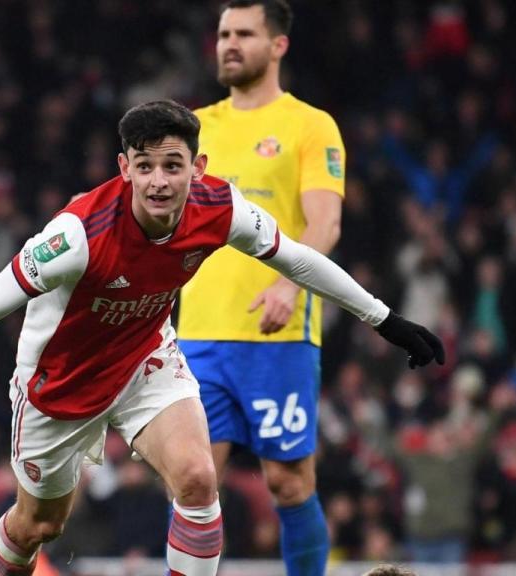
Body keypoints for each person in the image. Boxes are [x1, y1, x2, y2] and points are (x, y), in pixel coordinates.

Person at [0, 100, 443, 576]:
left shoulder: (220, 207)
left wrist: (385, 320)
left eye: (172, 166)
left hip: (144, 357)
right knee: (38, 526)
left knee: (199, 480)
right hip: (59, 384)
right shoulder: (75, 236)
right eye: (144, 166)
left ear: (197, 168)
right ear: (124, 167)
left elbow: (299, 260)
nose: (158, 181)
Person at [176, 2, 347, 573]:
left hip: (278, 337)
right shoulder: (194, 128)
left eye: (244, 34)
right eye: (224, 33)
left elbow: (324, 224)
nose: (229, 43)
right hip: (197, 335)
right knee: (192, 482)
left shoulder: (310, 125)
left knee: (288, 482)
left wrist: (288, 287)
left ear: (277, 46)